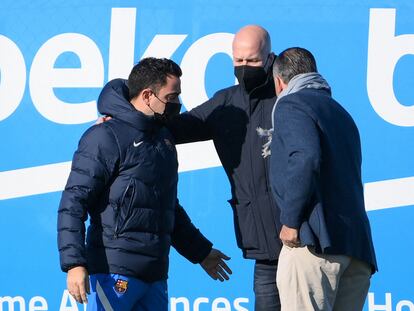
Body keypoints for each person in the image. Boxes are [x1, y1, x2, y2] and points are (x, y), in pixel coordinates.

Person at [99, 25, 282, 310]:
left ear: (270, 58)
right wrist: (122, 121)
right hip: (265, 250)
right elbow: (171, 126)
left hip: (302, 241)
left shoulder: (289, 102)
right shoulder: (226, 104)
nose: (245, 68)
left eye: (253, 61)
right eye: (239, 61)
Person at [57, 57, 231, 311]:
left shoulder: (163, 140)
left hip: (155, 275)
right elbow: (73, 202)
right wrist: (74, 263)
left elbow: (166, 207)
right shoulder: (105, 136)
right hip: (112, 273)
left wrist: (200, 252)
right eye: (171, 97)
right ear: (148, 95)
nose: (177, 105)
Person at [268, 47, 378, 310]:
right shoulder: (341, 113)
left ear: (279, 82)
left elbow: (306, 158)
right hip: (355, 247)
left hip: (315, 242)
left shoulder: (290, 103)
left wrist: (291, 220)